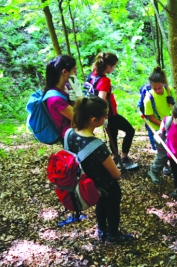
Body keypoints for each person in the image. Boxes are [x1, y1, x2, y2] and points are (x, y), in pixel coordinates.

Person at [68, 95, 133, 244]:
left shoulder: (69, 134)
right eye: (105, 116)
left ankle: (102, 230)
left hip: (89, 184)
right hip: (107, 185)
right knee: (112, 209)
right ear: (93, 120)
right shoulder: (97, 146)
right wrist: (119, 171)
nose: (106, 119)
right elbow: (115, 174)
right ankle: (114, 235)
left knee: (100, 205)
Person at [90, 52, 137, 170]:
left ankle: (116, 159)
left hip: (106, 115)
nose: (114, 68)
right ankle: (124, 159)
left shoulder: (92, 75)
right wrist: (104, 116)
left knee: (114, 135)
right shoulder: (104, 80)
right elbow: (101, 99)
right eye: (114, 66)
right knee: (130, 130)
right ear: (108, 67)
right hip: (109, 115)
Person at [144, 66, 176, 185]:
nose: (157, 90)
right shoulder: (149, 98)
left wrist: (172, 103)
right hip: (158, 128)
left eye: (159, 87)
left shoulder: (169, 90)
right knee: (163, 152)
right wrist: (164, 124)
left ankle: (167, 166)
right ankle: (154, 171)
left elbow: (172, 107)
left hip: (171, 125)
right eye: (155, 88)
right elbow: (150, 117)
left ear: (163, 83)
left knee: (172, 148)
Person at [44, 55, 79, 141]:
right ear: (64, 72)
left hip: (76, 131)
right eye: (74, 71)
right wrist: (79, 96)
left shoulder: (67, 86)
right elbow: (79, 118)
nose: (76, 74)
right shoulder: (55, 99)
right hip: (70, 138)